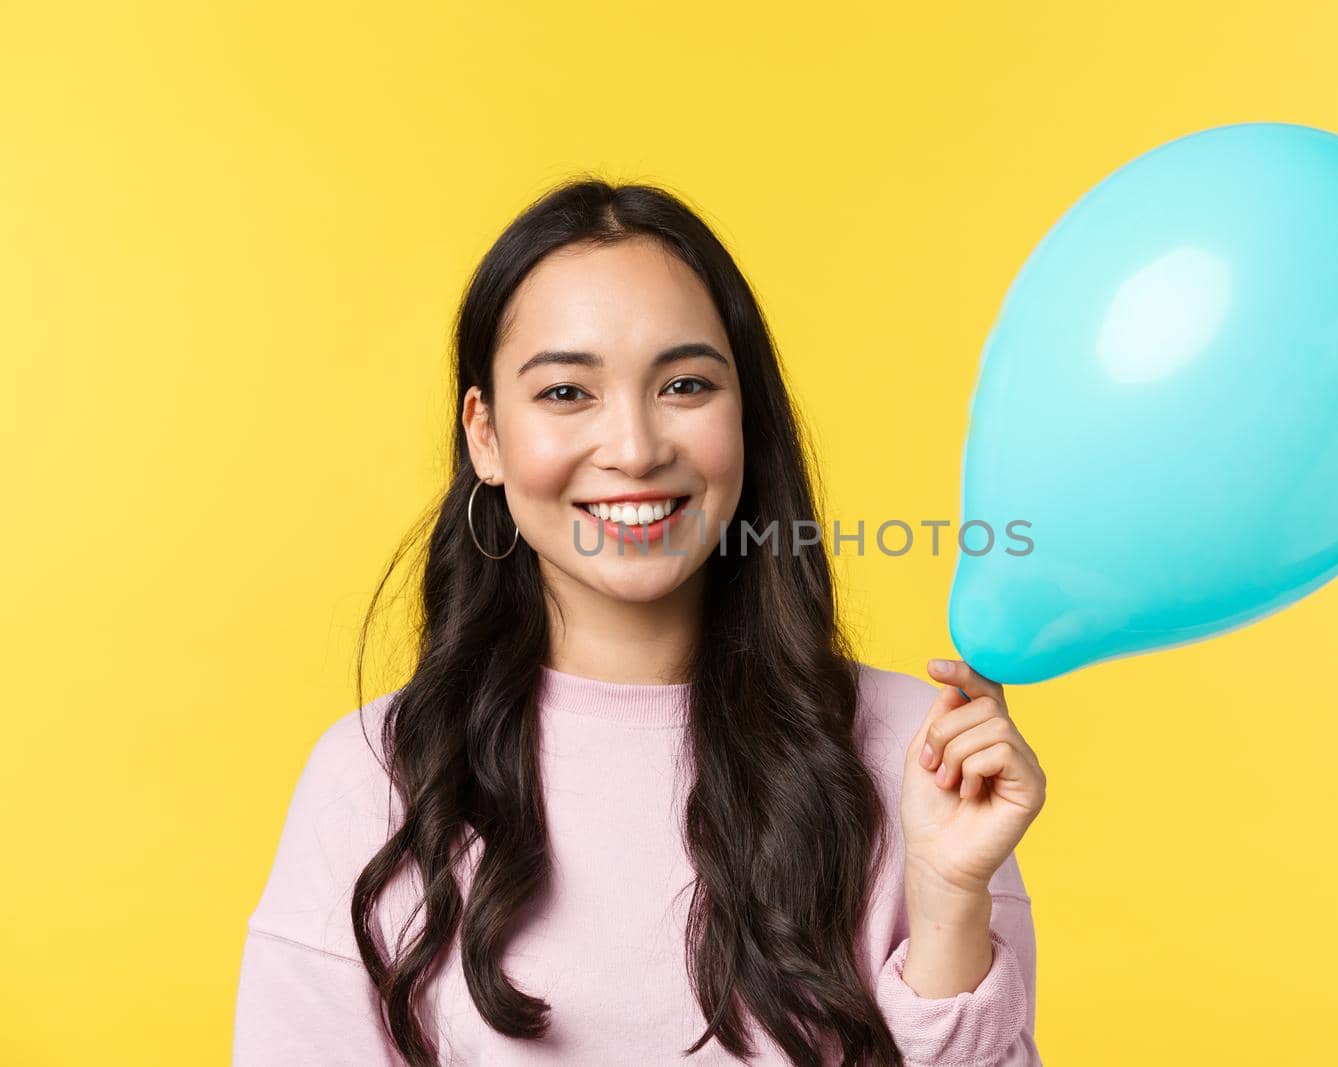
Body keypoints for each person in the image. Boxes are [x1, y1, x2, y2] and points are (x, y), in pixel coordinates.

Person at [232, 178, 1048, 1066]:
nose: (634, 447)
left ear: (746, 414)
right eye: (565, 393)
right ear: (486, 435)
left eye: (686, 384)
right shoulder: (375, 774)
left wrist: (947, 901)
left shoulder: (918, 758)